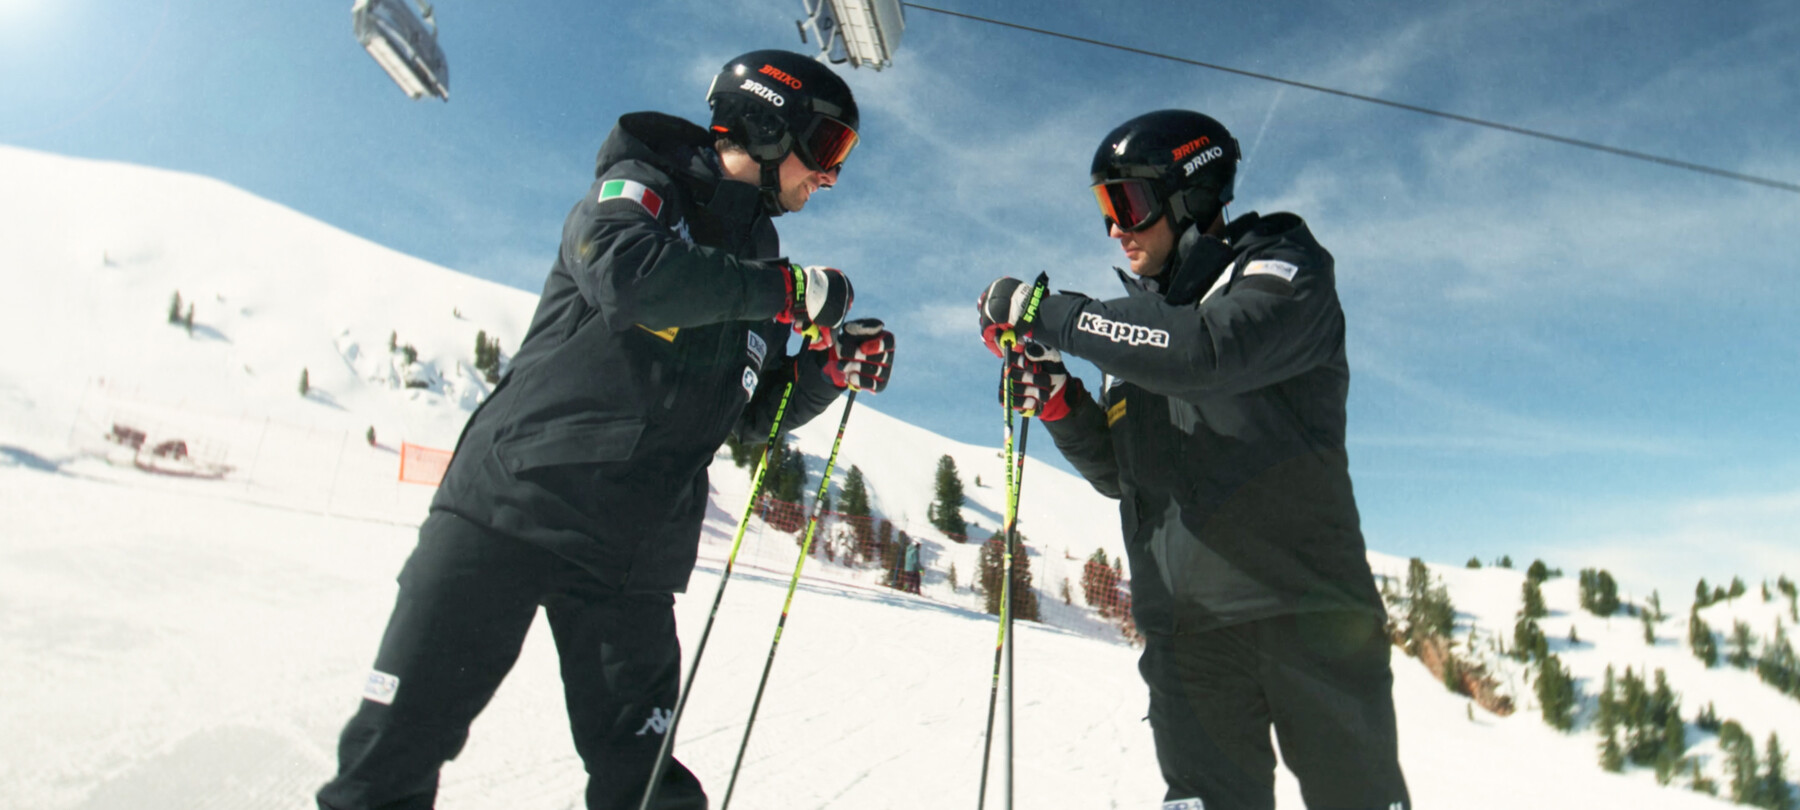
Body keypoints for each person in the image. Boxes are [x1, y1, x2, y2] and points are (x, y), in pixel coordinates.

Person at [317, 49, 895, 810]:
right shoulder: (642, 188)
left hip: (630, 553)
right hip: (513, 507)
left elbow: (747, 418)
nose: (830, 176)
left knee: (647, 790)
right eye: (826, 148)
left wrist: (826, 369)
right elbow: (629, 273)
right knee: (390, 762)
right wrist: (785, 293)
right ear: (764, 123)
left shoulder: (757, 259)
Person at [975, 109, 1409, 810]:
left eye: (1126, 202)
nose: (1114, 226)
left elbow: (1210, 352)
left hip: (1308, 622)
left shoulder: (1282, 268)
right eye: (1102, 207)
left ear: (1191, 197)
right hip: (1189, 636)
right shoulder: (1145, 335)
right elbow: (1126, 477)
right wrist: (1062, 406)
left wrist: (1059, 314)